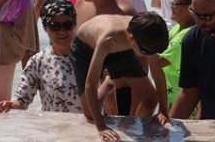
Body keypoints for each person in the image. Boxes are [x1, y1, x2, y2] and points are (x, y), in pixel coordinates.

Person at [71, 12, 170, 140]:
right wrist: (102, 127)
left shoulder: (146, 34)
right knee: (90, 115)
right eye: (146, 52)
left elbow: (157, 74)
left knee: (150, 100)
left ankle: (134, 127)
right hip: (85, 49)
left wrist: (163, 110)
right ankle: (108, 84)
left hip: (122, 48)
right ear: (132, 38)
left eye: (153, 51)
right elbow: (90, 85)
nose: (149, 55)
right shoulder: (108, 40)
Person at [0, 0, 82, 113]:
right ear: (45, 27)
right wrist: (11, 105)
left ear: (75, 24)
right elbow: (22, 98)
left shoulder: (88, 57)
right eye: (54, 26)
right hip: (55, 128)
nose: (62, 31)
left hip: (86, 129)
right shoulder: (38, 62)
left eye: (67, 25)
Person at [155, 0, 194, 106]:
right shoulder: (176, 28)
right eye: (172, 2)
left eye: (177, 4)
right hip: (169, 93)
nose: (172, 7)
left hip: (178, 98)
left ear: (190, 8)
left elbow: (159, 61)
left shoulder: (186, 35)